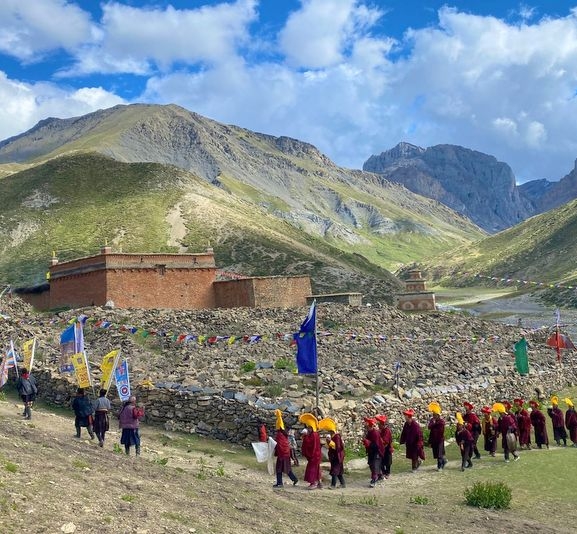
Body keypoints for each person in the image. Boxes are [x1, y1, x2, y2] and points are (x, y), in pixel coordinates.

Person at [272, 410, 298, 488]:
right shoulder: (284, 435)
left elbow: (279, 445)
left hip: (282, 455)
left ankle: (280, 483)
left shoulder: (280, 435)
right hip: (286, 454)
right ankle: (294, 479)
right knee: (287, 468)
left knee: (279, 469)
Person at [319, 417, 345, 489]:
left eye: (330, 431)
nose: (329, 432)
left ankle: (333, 485)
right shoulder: (334, 436)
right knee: (338, 472)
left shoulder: (337, 437)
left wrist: (330, 442)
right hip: (334, 456)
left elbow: (338, 447)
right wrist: (328, 442)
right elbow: (331, 447)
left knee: (335, 471)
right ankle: (343, 484)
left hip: (337, 456)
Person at [299, 412, 322, 489]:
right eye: (308, 428)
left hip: (314, 455)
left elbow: (311, 444)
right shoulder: (312, 434)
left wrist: (305, 437)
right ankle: (319, 482)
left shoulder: (314, 435)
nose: (308, 429)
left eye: (309, 428)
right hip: (315, 455)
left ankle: (314, 483)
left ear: (312, 428)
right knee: (316, 468)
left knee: (313, 469)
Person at [362, 417, 383, 487]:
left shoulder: (375, 433)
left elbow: (376, 445)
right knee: (371, 464)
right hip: (371, 451)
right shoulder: (369, 432)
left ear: (370, 426)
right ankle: (380, 475)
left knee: (374, 465)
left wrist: (369, 443)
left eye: (367, 427)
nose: (366, 428)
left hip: (377, 452)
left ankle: (374, 480)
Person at [427, 402, 447, 471]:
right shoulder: (432, 421)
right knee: (436, 453)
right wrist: (430, 442)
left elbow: (441, 431)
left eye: (435, 415)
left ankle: (439, 466)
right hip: (434, 440)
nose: (434, 416)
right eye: (433, 415)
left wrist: (435, 424)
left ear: (438, 415)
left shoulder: (441, 422)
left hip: (440, 439)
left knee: (439, 454)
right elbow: (429, 427)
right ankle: (444, 461)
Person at [376, 414, 393, 479]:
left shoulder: (387, 431)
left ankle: (387, 473)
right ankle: (383, 472)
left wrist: (379, 438)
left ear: (382, 425)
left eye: (379, 425)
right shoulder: (380, 430)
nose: (378, 426)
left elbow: (385, 441)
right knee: (381, 461)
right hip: (381, 448)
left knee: (388, 462)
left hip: (387, 448)